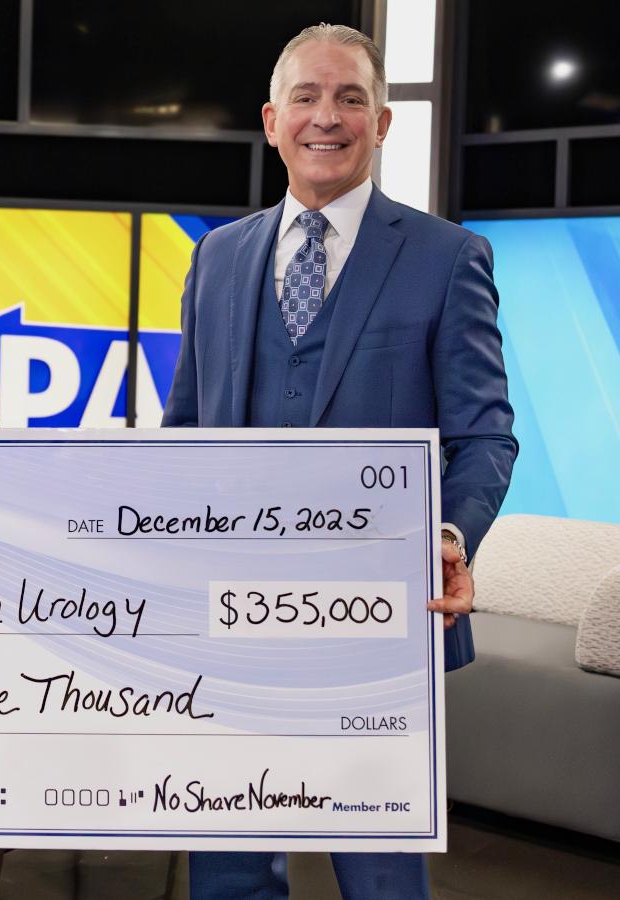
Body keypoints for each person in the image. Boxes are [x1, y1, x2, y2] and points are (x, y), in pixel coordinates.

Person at [162, 23, 517, 900]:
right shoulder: (218, 255)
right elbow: (183, 429)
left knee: (381, 877)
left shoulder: (447, 257)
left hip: (380, 620)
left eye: (351, 97)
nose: (329, 116)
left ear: (384, 122)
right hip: (227, 619)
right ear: (272, 121)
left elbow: (485, 435)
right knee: (232, 872)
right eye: (309, 98)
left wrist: (449, 531)